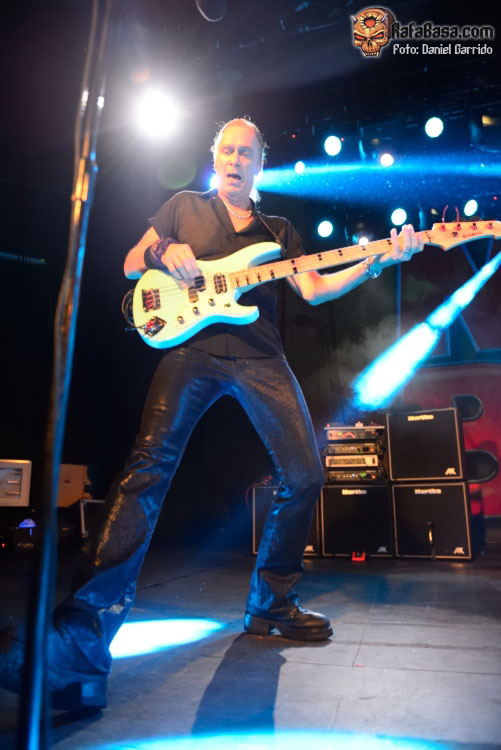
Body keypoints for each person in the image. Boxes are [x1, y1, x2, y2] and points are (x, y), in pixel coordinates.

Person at [0, 117, 423, 711]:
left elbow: (314, 290)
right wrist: (161, 248)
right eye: (227, 150)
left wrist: (378, 261)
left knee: (305, 473)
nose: (234, 159)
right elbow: (130, 263)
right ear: (215, 157)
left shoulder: (278, 230)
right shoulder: (183, 208)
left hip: (260, 353)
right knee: (148, 469)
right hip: (192, 351)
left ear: (259, 164)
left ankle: (271, 603)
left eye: (246, 152)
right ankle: (80, 641)